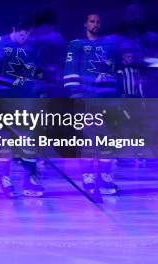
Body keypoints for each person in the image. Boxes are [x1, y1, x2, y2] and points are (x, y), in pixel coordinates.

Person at [0, 15, 46, 198]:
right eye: (22, 34)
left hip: (25, 102)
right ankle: (5, 178)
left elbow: (34, 73)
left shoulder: (31, 47)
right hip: (2, 102)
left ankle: (29, 180)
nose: (24, 37)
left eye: (27, 34)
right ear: (13, 29)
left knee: (29, 141)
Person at [64, 12, 120, 195]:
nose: (95, 24)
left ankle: (104, 176)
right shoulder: (76, 45)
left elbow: (112, 71)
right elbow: (70, 71)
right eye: (92, 21)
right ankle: (87, 175)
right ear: (85, 24)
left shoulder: (107, 46)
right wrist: (75, 93)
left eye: (98, 21)